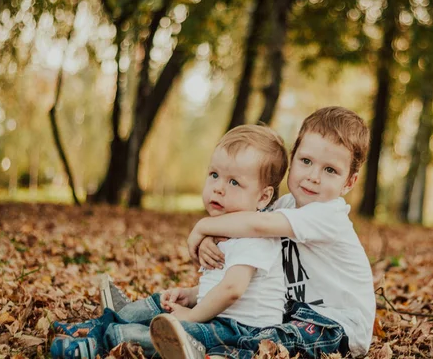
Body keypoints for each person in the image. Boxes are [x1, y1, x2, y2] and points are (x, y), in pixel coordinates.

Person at [50, 125, 289, 359]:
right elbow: (220, 284)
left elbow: (232, 290)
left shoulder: (257, 235)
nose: (218, 188)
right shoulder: (227, 230)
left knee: (174, 332)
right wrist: (191, 295)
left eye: (234, 182)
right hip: (220, 317)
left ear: (263, 196)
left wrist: (192, 315)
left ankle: (99, 343)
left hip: (242, 331)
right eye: (214, 175)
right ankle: (97, 326)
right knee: (159, 303)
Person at [170, 106, 376, 359]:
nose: (313, 176)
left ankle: (212, 352)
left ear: (349, 182)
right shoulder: (285, 206)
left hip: (337, 325)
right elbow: (245, 225)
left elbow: (256, 226)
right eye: (306, 161)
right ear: (293, 158)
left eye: (330, 170)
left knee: (272, 341)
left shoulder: (329, 215)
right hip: (294, 312)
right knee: (252, 329)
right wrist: (209, 244)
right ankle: (190, 341)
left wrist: (202, 227)